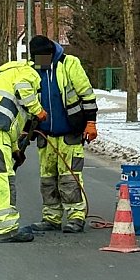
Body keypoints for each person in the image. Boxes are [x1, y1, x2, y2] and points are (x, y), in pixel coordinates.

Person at [0, 59, 47, 243]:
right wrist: (38, 110)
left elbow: (12, 121)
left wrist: (14, 149)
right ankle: (7, 228)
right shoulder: (27, 71)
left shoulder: (2, 75)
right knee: (2, 177)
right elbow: (23, 88)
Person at [27, 35, 98, 234]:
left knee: (69, 177)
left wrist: (90, 122)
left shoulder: (69, 64)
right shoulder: (33, 70)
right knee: (48, 178)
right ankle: (51, 218)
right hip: (45, 134)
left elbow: (87, 95)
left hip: (70, 131)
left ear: (50, 53)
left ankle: (76, 216)